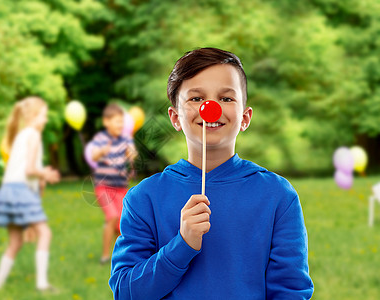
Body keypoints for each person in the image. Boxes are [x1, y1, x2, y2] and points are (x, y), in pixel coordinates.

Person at [109, 48, 314, 299]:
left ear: (245, 118)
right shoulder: (143, 198)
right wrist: (181, 246)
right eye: (196, 99)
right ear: (175, 117)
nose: (211, 108)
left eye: (226, 99)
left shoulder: (278, 195)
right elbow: (126, 292)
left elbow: (291, 290)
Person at [0, 96, 61, 292]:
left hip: (8, 190)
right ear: (34, 116)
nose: (46, 120)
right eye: (44, 115)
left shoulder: (21, 135)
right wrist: (45, 173)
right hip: (20, 189)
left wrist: (41, 179)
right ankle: (42, 284)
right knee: (45, 233)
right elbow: (30, 170)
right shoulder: (34, 135)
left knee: (15, 242)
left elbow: (27, 172)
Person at [90, 104, 137, 264]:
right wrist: (101, 151)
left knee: (122, 222)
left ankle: (121, 255)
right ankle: (105, 255)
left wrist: (132, 155)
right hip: (104, 187)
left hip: (121, 187)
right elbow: (94, 156)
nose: (120, 125)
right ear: (106, 122)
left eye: (122, 122)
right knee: (112, 217)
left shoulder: (125, 139)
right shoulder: (101, 139)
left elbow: (132, 153)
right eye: (117, 122)